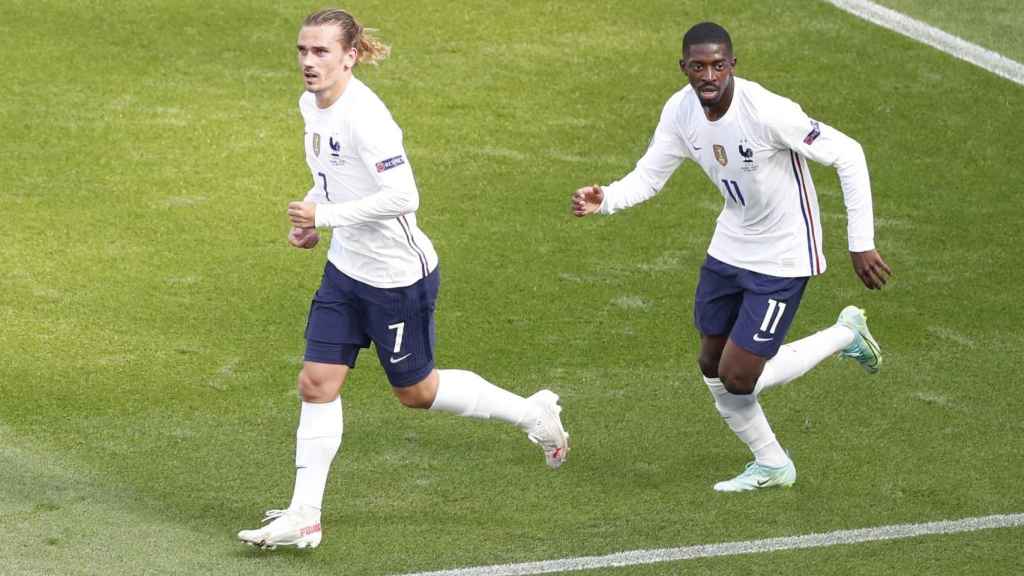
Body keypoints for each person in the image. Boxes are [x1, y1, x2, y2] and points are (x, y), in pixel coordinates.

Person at [239, 8, 569, 550]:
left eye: (321, 52)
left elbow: (403, 197)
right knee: (316, 382)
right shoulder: (310, 105)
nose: (308, 62)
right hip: (345, 271)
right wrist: (316, 216)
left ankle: (533, 413)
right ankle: (305, 514)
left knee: (417, 392)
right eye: (303, 50)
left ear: (349, 56)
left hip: (396, 279)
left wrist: (323, 218)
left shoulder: (367, 117)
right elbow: (332, 177)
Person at [571, 22, 891, 492]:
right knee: (711, 364)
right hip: (731, 243)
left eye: (718, 65)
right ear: (683, 68)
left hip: (784, 255)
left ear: (733, 65)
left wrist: (860, 242)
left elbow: (849, 154)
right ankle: (773, 465)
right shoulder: (680, 112)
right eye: (698, 66)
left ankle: (845, 335)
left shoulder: (766, 111)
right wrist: (608, 199)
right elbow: (650, 176)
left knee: (738, 377)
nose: (709, 75)